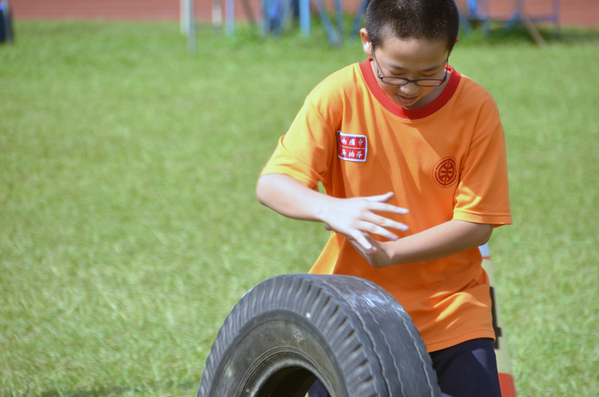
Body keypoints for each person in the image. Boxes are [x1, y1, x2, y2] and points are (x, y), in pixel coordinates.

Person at [256, 0, 511, 395]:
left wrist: (392, 252)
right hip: (351, 314)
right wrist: (332, 208)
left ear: (451, 47)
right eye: (395, 73)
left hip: (452, 312)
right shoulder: (338, 94)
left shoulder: (476, 108)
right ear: (366, 43)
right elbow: (272, 184)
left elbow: (477, 224)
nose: (409, 88)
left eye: (429, 73)